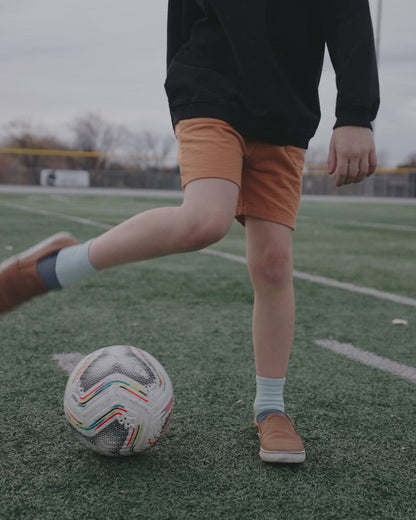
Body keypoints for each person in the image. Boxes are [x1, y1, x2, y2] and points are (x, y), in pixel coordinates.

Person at [0, 0, 379, 463]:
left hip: (286, 111)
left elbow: (348, 15)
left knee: (274, 264)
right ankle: (55, 267)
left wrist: (356, 113)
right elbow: (180, 17)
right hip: (210, 90)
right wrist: (181, 92)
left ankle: (271, 409)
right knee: (205, 220)